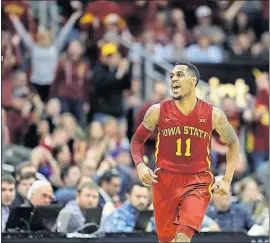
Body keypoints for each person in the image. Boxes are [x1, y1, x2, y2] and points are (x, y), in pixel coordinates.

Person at [130, 61, 240, 242]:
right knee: (167, 240)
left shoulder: (213, 114)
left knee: (182, 239)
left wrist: (227, 179)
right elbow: (137, 140)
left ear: (193, 81)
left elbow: (233, 142)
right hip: (165, 181)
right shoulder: (157, 111)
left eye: (179, 75)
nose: (174, 79)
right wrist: (140, 165)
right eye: (171, 76)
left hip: (197, 181)